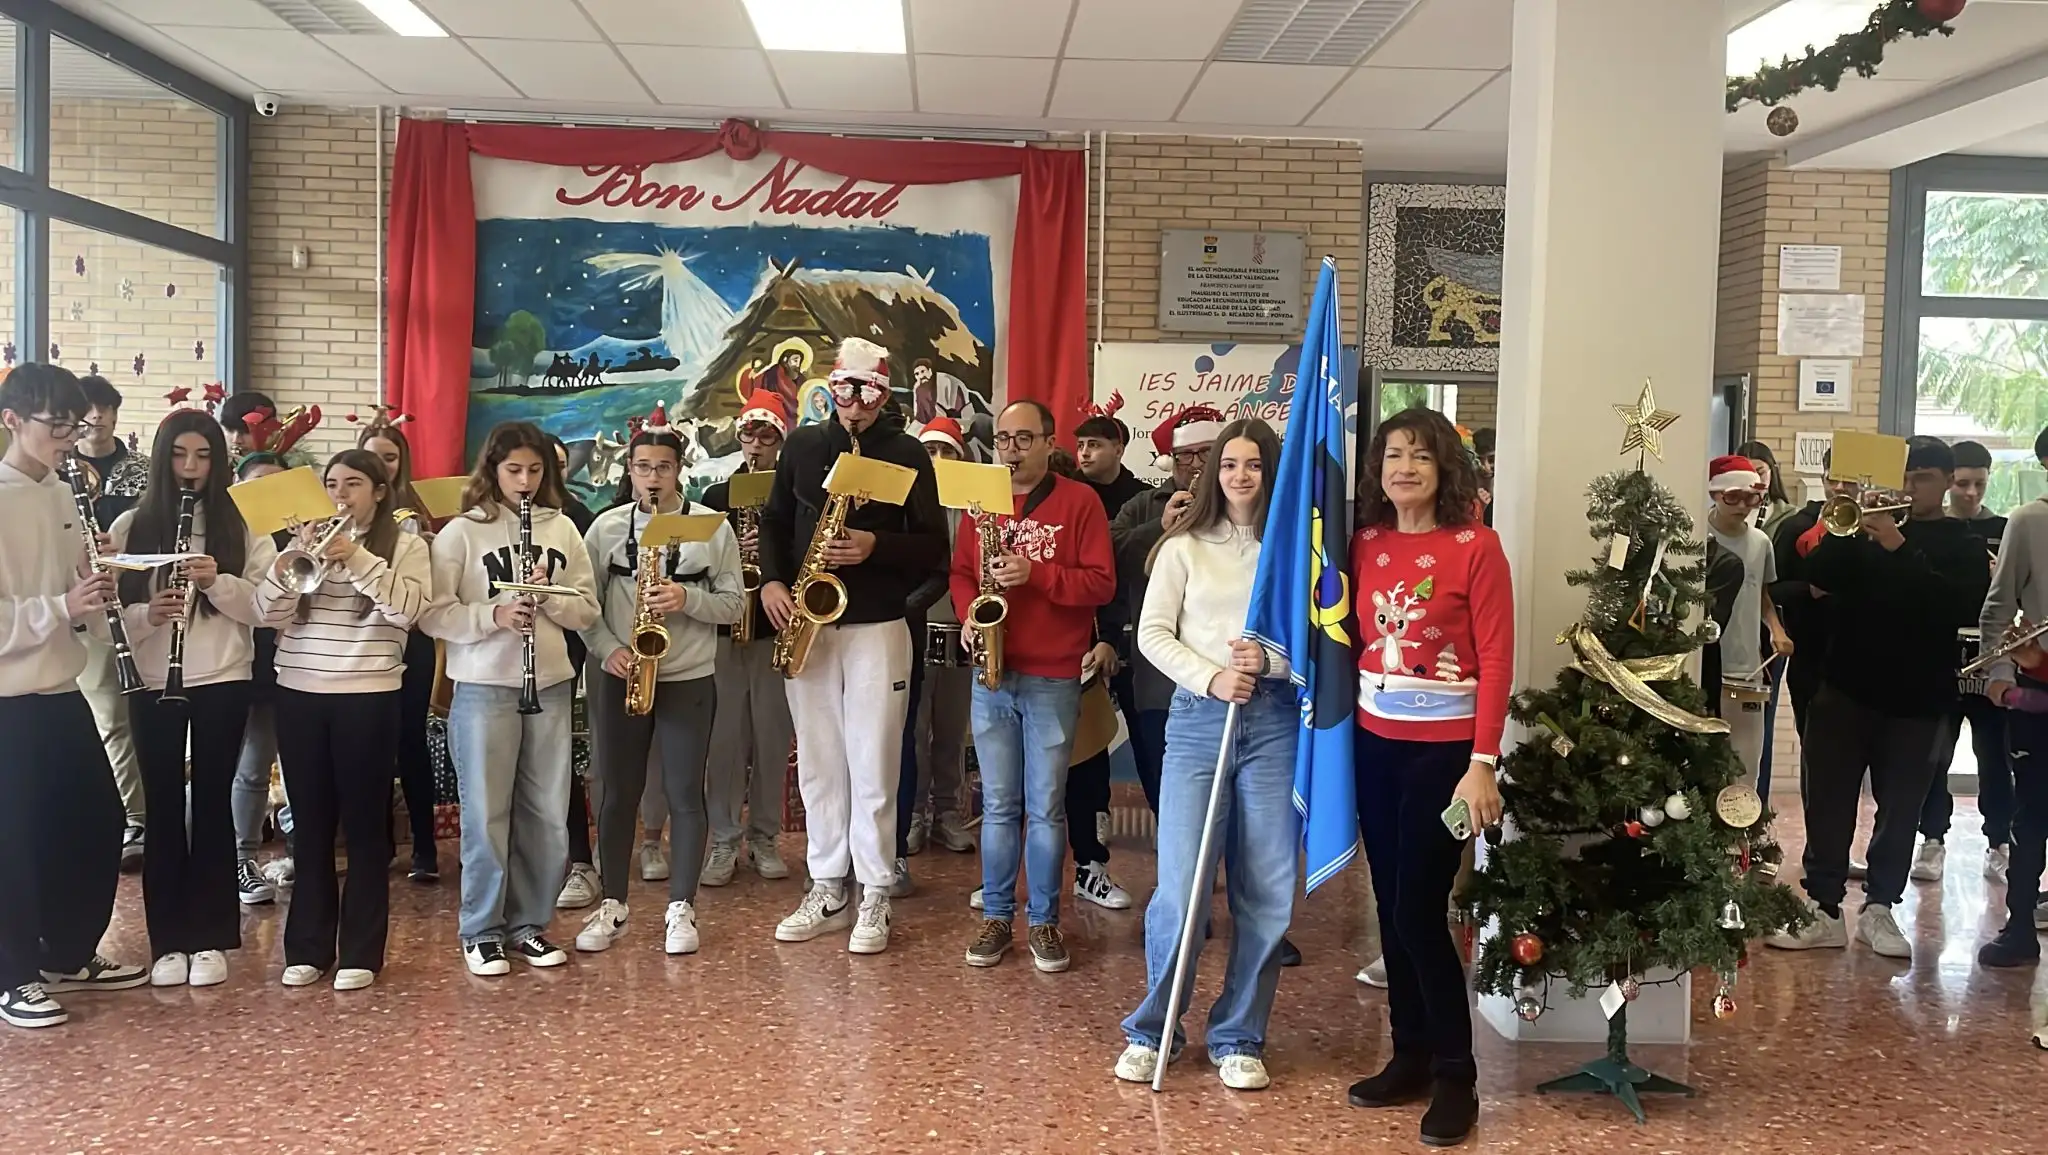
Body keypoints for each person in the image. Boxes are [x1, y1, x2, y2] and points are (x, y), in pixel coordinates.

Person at [1344, 406, 1511, 1148]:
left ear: (1445, 467)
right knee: (1389, 900)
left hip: (1445, 757)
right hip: (1375, 744)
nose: (1403, 467)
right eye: (1392, 455)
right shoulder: (1366, 542)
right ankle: (1408, 1051)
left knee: (1418, 911)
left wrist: (1483, 765)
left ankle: (1456, 1073)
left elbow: (1498, 659)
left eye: (1419, 455)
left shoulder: (1477, 546)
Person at [1114, 417, 1296, 1092]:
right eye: (1229, 464)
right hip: (1198, 721)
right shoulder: (1182, 545)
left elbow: (1320, 640)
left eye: (1252, 465)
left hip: (1274, 725)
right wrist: (1211, 676)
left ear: (1269, 471)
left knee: (1268, 889)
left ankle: (1240, 1034)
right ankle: (1154, 1027)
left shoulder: (1293, 552)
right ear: (1212, 471)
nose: (1240, 475)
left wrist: (1271, 662)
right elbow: (1153, 634)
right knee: (1182, 888)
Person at [757, 338, 948, 955]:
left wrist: (874, 547)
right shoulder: (804, 445)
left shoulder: (909, 452)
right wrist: (773, 582)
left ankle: (874, 891)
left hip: (877, 627)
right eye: (845, 392)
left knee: (874, 763)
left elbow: (932, 550)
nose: (856, 407)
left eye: (867, 394)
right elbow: (776, 521)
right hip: (808, 625)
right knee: (817, 763)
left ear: (884, 393)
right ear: (831, 389)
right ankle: (827, 884)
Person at [1766, 437, 1988, 962]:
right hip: (1845, 686)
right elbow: (1820, 576)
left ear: (1945, 480)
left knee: (1901, 806)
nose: (1910, 488)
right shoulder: (1862, 529)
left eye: (1924, 478)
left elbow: (1956, 605)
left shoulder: (1961, 541)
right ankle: (1822, 910)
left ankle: (1880, 908)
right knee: (1827, 798)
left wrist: (1898, 547)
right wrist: (1851, 524)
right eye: (1905, 476)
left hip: (1920, 697)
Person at [420, 421, 600, 976]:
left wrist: (548, 598)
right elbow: (433, 614)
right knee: (487, 814)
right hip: (483, 687)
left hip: (547, 681)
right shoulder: (462, 534)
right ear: (492, 470)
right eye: (514, 470)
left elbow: (588, 610)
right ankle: (481, 929)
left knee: (547, 814)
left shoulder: (563, 528)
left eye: (535, 470)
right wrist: (493, 615)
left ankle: (528, 924)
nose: (525, 481)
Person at [0, 364, 149, 1029]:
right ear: (12, 421)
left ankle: (66, 950)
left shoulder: (63, 492)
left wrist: (96, 583)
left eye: (74, 423)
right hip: (7, 698)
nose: (68, 436)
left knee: (95, 819)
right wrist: (62, 603)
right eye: (55, 424)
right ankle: (12, 975)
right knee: (15, 842)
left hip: (59, 686)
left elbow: (69, 593)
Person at [109, 407, 275, 989]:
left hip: (224, 677)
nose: (191, 467)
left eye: (203, 456)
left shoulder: (241, 525)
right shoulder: (134, 525)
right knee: (160, 809)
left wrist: (215, 583)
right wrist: (147, 614)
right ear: (162, 459)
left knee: (211, 804)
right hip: (155, 681)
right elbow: (113, 622)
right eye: (180, 455)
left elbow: (265, 608)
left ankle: (210, 937)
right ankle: (168, 940)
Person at [255, 450, 429, 990]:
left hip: (369, 694)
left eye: (353, 484)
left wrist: (353, 557)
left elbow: (409, 611)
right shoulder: (300, 544)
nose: (339, 495)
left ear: (379, 491)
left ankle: (360, 952)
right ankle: (306, 947)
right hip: (300, 694)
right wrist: (294, 562)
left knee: (364, 827)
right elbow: (266, 615)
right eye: (332, 484)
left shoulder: (406, 544)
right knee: (309, 828)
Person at [956, 401, 1115, 972]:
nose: (1012, 449)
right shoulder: (983, 503)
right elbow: (959, 572)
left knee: (1046, 809)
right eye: (1003, 439)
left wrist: (1036, 574)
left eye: (1025, 438)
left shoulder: (1082, 502)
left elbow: (1101, 583)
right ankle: (997, 917)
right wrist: (968, 615)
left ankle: (1045, 923)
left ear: (1051, 443)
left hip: (1051, 674)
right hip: (991, 671)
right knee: (999, 806)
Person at [573, 416, 743, 956]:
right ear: (629, 470)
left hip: (688, 676)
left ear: (679, 472)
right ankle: (614, 904)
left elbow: (735, 604)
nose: (653, 478)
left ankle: (680, 909)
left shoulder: (713, 527)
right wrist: (609, 650)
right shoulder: (605, 527)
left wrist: (687, 599)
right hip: (623, 673)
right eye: (643, 468)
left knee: (684, 793)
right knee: (618, 792)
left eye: (664, 468)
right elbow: (583, 607)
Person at [699, 390, 797, 886]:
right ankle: (723, 837)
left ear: (781, 440)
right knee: (725, 739)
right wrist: (730, 551)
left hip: (773, 630)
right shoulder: (715, 497)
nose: (755, 443)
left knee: (773, 736)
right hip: (723, 631)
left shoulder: (793, 492)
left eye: (767, 434)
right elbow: (696, 565)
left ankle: (764, 836)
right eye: (748, 433)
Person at [1109, 405, 1225, 814]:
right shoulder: (1143, 505)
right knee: (1163, 780)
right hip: (1159, 675)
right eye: (1184, 456)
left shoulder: (1246, 504)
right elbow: (1108, 558)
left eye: (1206, 453)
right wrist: (1159, 528)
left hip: (1225, 672)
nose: (1194, 465)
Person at [1065, 396, 1148, 910]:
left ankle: (1187, 871)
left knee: (1152, 754)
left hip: (1136, 644)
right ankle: (1088, 863)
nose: (1085, 452)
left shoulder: (1144, 499)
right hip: (1079, 650)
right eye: (1079, 444)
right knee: (1085, 758)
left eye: (1095, 443)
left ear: (1119, 446)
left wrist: (1115, 641)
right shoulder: (1067, 498)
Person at [358, 416, 442, 882]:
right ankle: (379, 842)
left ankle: (425, 847)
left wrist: (432, 548)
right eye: (372, 458)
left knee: (411, 739)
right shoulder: (344, 515)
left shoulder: (416, 512)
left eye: (389, 458)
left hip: (413, 640)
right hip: (363, 645)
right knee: (370, 742)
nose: (382, 467)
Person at [1976, 425, 2048, 968]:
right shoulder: (2029, 521)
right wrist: (1999, 674)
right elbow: (1997, 608)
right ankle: (2019, 924)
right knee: (2032, 813)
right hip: (2041, 687)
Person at [71, 373, 149, 869]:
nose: (97, 418)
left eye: (106, 409)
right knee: (102, 722)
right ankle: (122, 812)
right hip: (78, 608)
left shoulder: (138, 471)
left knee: (129, 719)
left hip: (134, 604)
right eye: (88, 411)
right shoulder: (57, 473)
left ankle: (140, 815)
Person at [1926, 439, 2013, 883]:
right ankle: (1932, 838)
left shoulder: (2006, 526)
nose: (1971, 493)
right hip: (1942, 655)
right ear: (1947, 482)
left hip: (1991, 653)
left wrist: (2002, 577)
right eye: (1962, 484)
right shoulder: (1933, 530)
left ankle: (1999, 840)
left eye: (1979, 484)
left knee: (1993, 754)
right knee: (1935, 753)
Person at [1704, 455, 1793, 793]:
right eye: (1733, 497)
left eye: (1751, 498)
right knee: (1705, 764)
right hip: (1704, 666)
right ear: (1714, 494)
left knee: (1746, 766)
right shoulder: (1695, 538)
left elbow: (1762, 594)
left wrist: (1777, 630)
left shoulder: (1760, 543)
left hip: (1747, 668)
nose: (1743, 506)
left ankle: (1741, 842)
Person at [230, 452, 293, 901]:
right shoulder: (231, 532)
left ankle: (300, 853)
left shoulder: (305, 534)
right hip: (240, 665)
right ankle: (241, 858)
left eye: (279, 484)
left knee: (294, 770)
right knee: (249, 770)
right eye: (258, 486)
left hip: (295, 667)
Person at [1736, 440, 1799, 537]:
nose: (1755, 481)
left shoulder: (1791, 515)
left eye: (1760, 473)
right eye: (1747, 474)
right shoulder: (1724, 512)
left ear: (1772, 472)